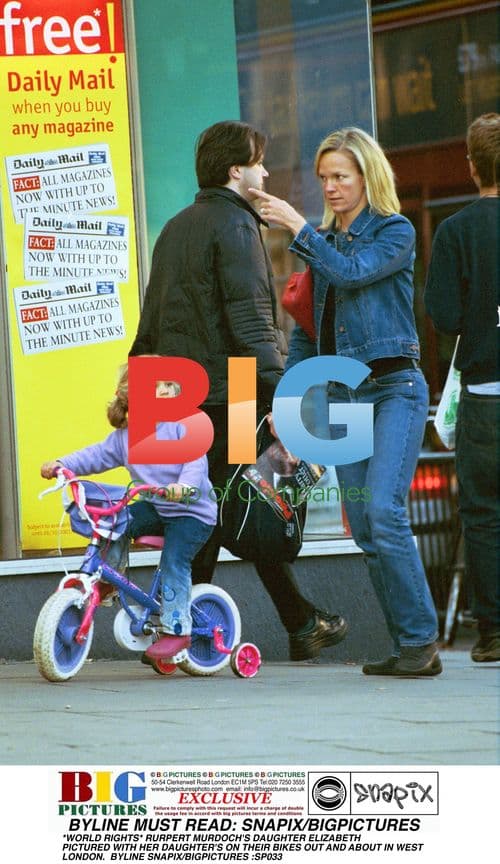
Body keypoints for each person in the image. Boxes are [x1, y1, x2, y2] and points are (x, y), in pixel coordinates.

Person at [129, 119, 347, 661]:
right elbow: (253, 323)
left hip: (177, 394)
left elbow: (150, 322)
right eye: (258, 163)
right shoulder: (237, 225)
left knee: (215, 510)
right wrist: (278, 401)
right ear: (235, 172)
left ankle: (253, 625)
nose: (265, 172)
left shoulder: (174, 228)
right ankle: (197, 630)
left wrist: (139, 392)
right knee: (247, 507)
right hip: (236, 391)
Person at [250, 126, 441, 677]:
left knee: (383, 509)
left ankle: (422, 640)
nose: (331, 187)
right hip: (348, 398)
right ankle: (409, 647)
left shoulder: (394, 231)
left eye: (341, 176)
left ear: (366, 176)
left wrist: (298, 227)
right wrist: (288, 401)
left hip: (396, 388)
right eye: (324, 178)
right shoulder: (326, 245)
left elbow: (355, 274)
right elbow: (309, 335)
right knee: (362, 522)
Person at [40, 366, 216, 665]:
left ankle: (177, 629)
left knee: (174, 561)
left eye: (168, 386)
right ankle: (109, 577)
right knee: (113, 520)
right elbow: (95, 455)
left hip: (193, 513)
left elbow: (194, 462)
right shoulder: (125, 439)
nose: (165, 392)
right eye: (157, 387)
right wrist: (61, 464)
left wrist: (183, 486)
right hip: (158, 507)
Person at [425, 113, 500, 663]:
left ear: (472, 167)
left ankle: (493, 633)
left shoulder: (455, 231)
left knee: (482, 513)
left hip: (485, 399)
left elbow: (445, 316)